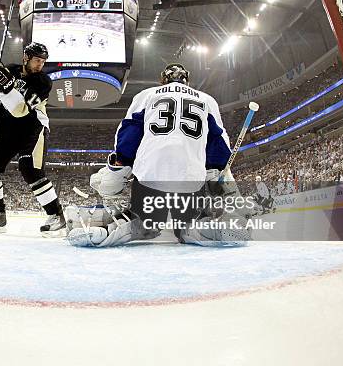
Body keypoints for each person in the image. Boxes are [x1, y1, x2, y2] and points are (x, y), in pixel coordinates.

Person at [66, 63, 250, 247]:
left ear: (163, 79)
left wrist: (118, 168)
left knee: (146, 222)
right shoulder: (207, 100)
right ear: (187, 79)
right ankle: (209, 230)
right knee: (186, 225)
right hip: (190, 180)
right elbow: (218, 142)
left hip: (150, 176)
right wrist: (214, 173)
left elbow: (129, 133)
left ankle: (111, 230)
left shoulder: (147, 95)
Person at [0, 42, 64, 234]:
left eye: (43, 61)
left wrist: (8, 87)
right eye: (37, 60)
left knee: (30, 169)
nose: (40, 65)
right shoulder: (10, 70)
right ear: (26, 57)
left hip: (32, 129)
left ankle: (56, 215)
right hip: (7, 131)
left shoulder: (43, 82)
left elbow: (21, 110)